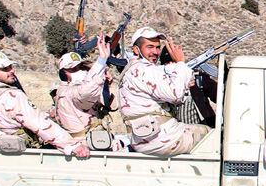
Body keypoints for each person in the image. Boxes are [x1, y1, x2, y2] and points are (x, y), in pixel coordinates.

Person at [0, 50, 90, 157]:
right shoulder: (12, 96)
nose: (12, 70)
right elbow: (39, 123)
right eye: (5, 69)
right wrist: (71, 145)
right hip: (21, 156)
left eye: (10, 66)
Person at [118, 27, 209, 156]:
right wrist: (181, 63)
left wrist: (183, 81)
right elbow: (175, 95)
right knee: (212, 135)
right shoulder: (144, 69)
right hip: (163, 140)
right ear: (136, 50)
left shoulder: (133, 69)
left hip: (147, 139)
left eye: (157, 47)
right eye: (150, 47)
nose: (155, 52)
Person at [54, 36, 117, 137]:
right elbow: (86, 91)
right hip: (82, 144)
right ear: (63, 74)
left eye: (81, 67)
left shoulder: (81, 87)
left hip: (95, 139)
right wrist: (101, 61)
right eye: (73, 69)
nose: (79, 71)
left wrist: (104, 82)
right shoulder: (66, 92)